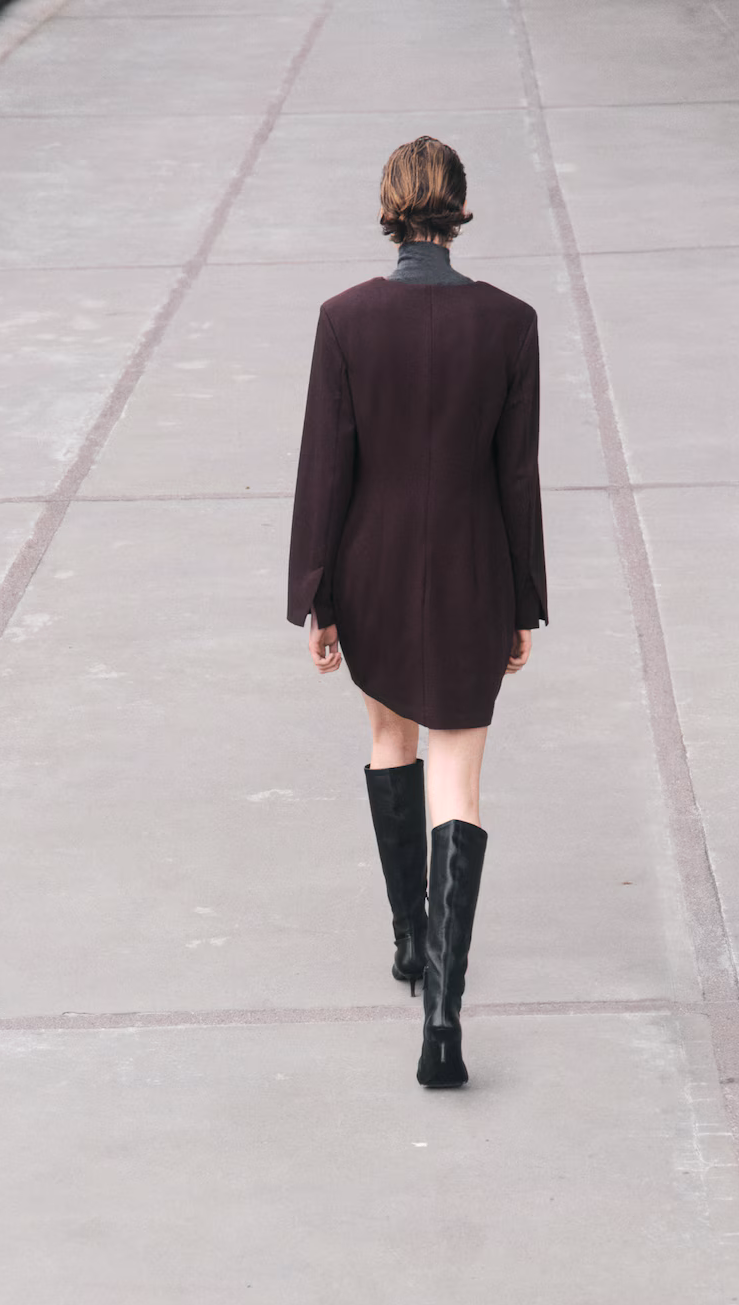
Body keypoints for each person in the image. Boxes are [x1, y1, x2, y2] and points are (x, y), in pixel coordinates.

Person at [287, 135, 547, 1088]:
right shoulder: (510, 323)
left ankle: (407, 937)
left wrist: (316, 596)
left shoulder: (344, 320)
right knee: (460, 784)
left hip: (375, 569)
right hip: (475, 568)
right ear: (460, 209)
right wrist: (524, 602)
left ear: (390, 206)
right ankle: (443, 1017)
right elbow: (516, 477)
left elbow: (326, 468)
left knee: (390, 740)